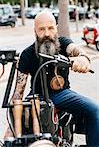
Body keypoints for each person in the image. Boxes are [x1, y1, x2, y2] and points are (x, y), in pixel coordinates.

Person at [4, 11, 99, 147]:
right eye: (41, 29)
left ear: (56, 28)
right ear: (35, 31)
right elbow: (18, 93)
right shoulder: (27, 54)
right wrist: (11, 125)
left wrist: (83, 58)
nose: (47, 33)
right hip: (37, 97)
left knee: (95, 110)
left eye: (50, 28)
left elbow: (76, 50)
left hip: (63, 94)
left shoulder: (64, 44)